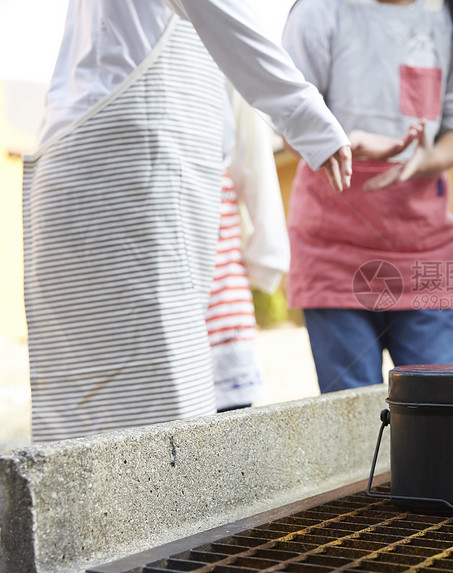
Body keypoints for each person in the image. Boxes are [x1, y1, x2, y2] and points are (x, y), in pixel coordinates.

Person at [24, 0, 351, 442]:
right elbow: (224, 16)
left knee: (94, 419)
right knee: (168, 434)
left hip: (82, 175)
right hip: (126, 180)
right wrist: (311, 120)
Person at [282, 0, 453, 393]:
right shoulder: (318, 13)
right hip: (333, 251)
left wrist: (430, 158)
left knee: (439, 407)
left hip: (423, 248)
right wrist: (340, 144)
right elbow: (289, 118)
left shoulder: (452, 17)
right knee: (355, 419)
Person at [207, 85, 289, 413]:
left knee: (227, 429)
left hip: (222, 289)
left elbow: (256, 166)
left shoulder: (221, 69)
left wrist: (267, 261)